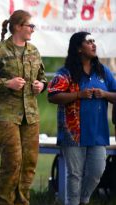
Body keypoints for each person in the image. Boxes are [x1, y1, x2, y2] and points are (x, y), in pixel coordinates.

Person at [0, 10, 47, 205]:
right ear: (17, 27)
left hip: (30, 116)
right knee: (13, 162)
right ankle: (5, 202)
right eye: (29, 26)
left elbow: (42, 77)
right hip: (4, 116)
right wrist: (7, 83)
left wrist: (41, 85)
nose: (33, 29)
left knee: (29, 163)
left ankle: (22, 202)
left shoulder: (33, 51)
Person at [48, 31, 116, 205]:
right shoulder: (66, 73)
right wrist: (78, 94)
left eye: (94, 41)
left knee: (97, 172)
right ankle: (73, 203)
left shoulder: (103, 71)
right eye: (89, 42)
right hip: (73, 133)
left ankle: (83, 200)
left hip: (98, 133)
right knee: (75, 174)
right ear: (79, 48)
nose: (93, 44)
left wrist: (104, 94)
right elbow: (53, 96)